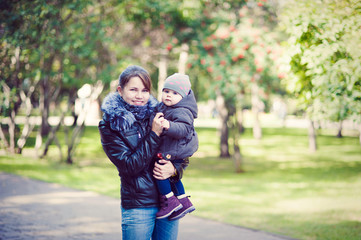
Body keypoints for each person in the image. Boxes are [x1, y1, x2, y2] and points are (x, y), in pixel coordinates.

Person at [98, 65, 187, 240]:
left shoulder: (161, 114)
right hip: (139, 205)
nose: (140, 96)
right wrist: (154, 134)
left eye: (145, 90)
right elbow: (129, 166)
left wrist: (175, 170)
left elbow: (180, 151)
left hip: (169, 201)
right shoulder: (111, 125)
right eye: (133, 89)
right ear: (120, 90)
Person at [152, 73, 198, 221]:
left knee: (160, 172)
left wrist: (168, 125)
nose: (169, 96)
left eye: (174, 93)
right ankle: (183, 201)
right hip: (172, 150)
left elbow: (183, 129)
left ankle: (169, 201)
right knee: (172, 178)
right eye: (166, 91)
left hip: (175, 151)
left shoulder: (182, 110)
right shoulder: (165, 107)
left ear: (183, 96)